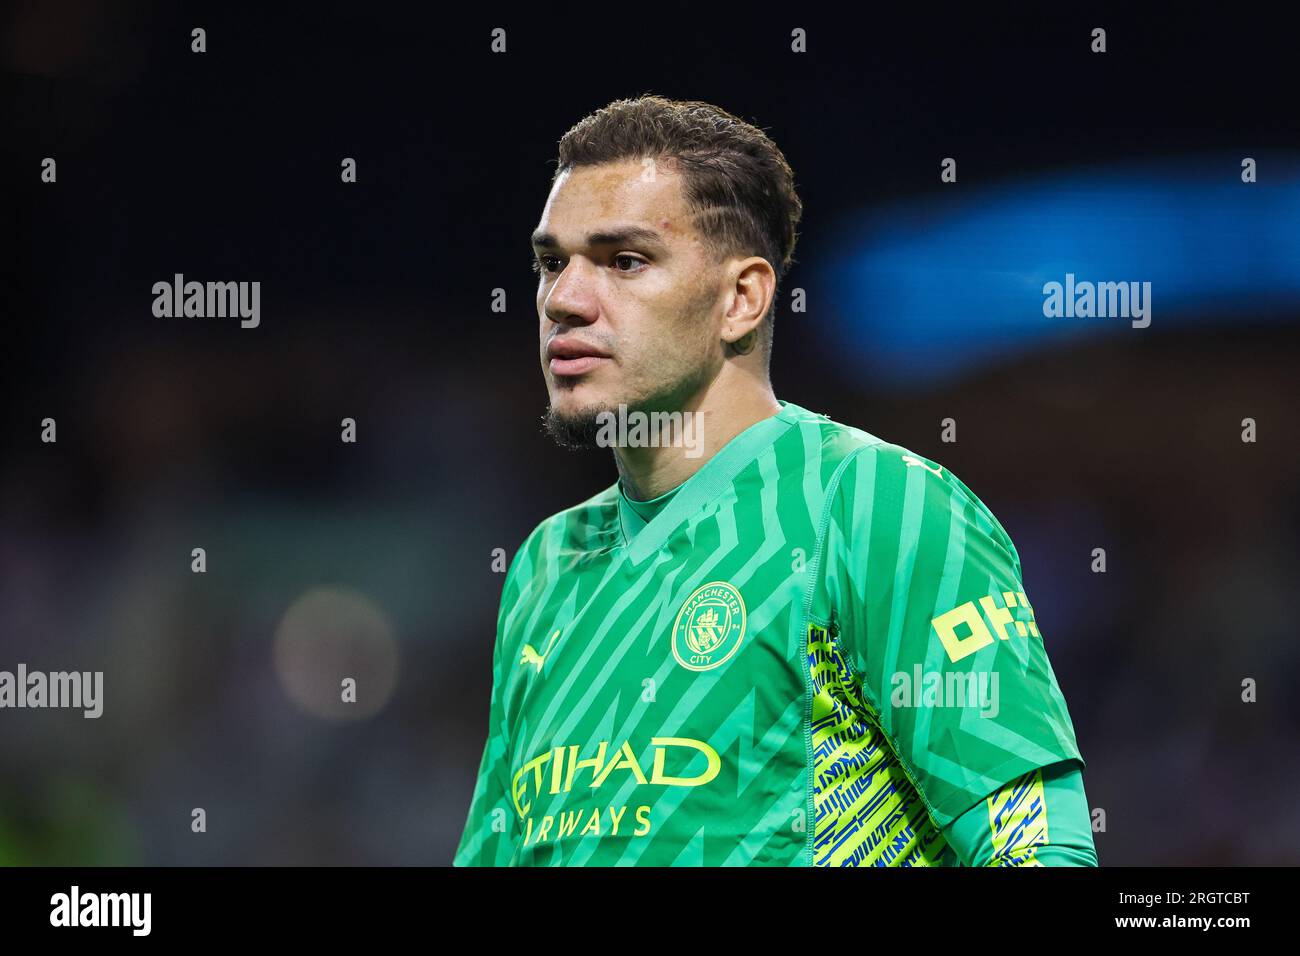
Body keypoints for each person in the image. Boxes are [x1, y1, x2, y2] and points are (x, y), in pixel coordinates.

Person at [454, 95, 1096, 866]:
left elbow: (1038, 852)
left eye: (623, 260)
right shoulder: (547, 565)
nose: (563, 299)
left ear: (741, 299)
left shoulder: (873, 505)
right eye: (552, 263)